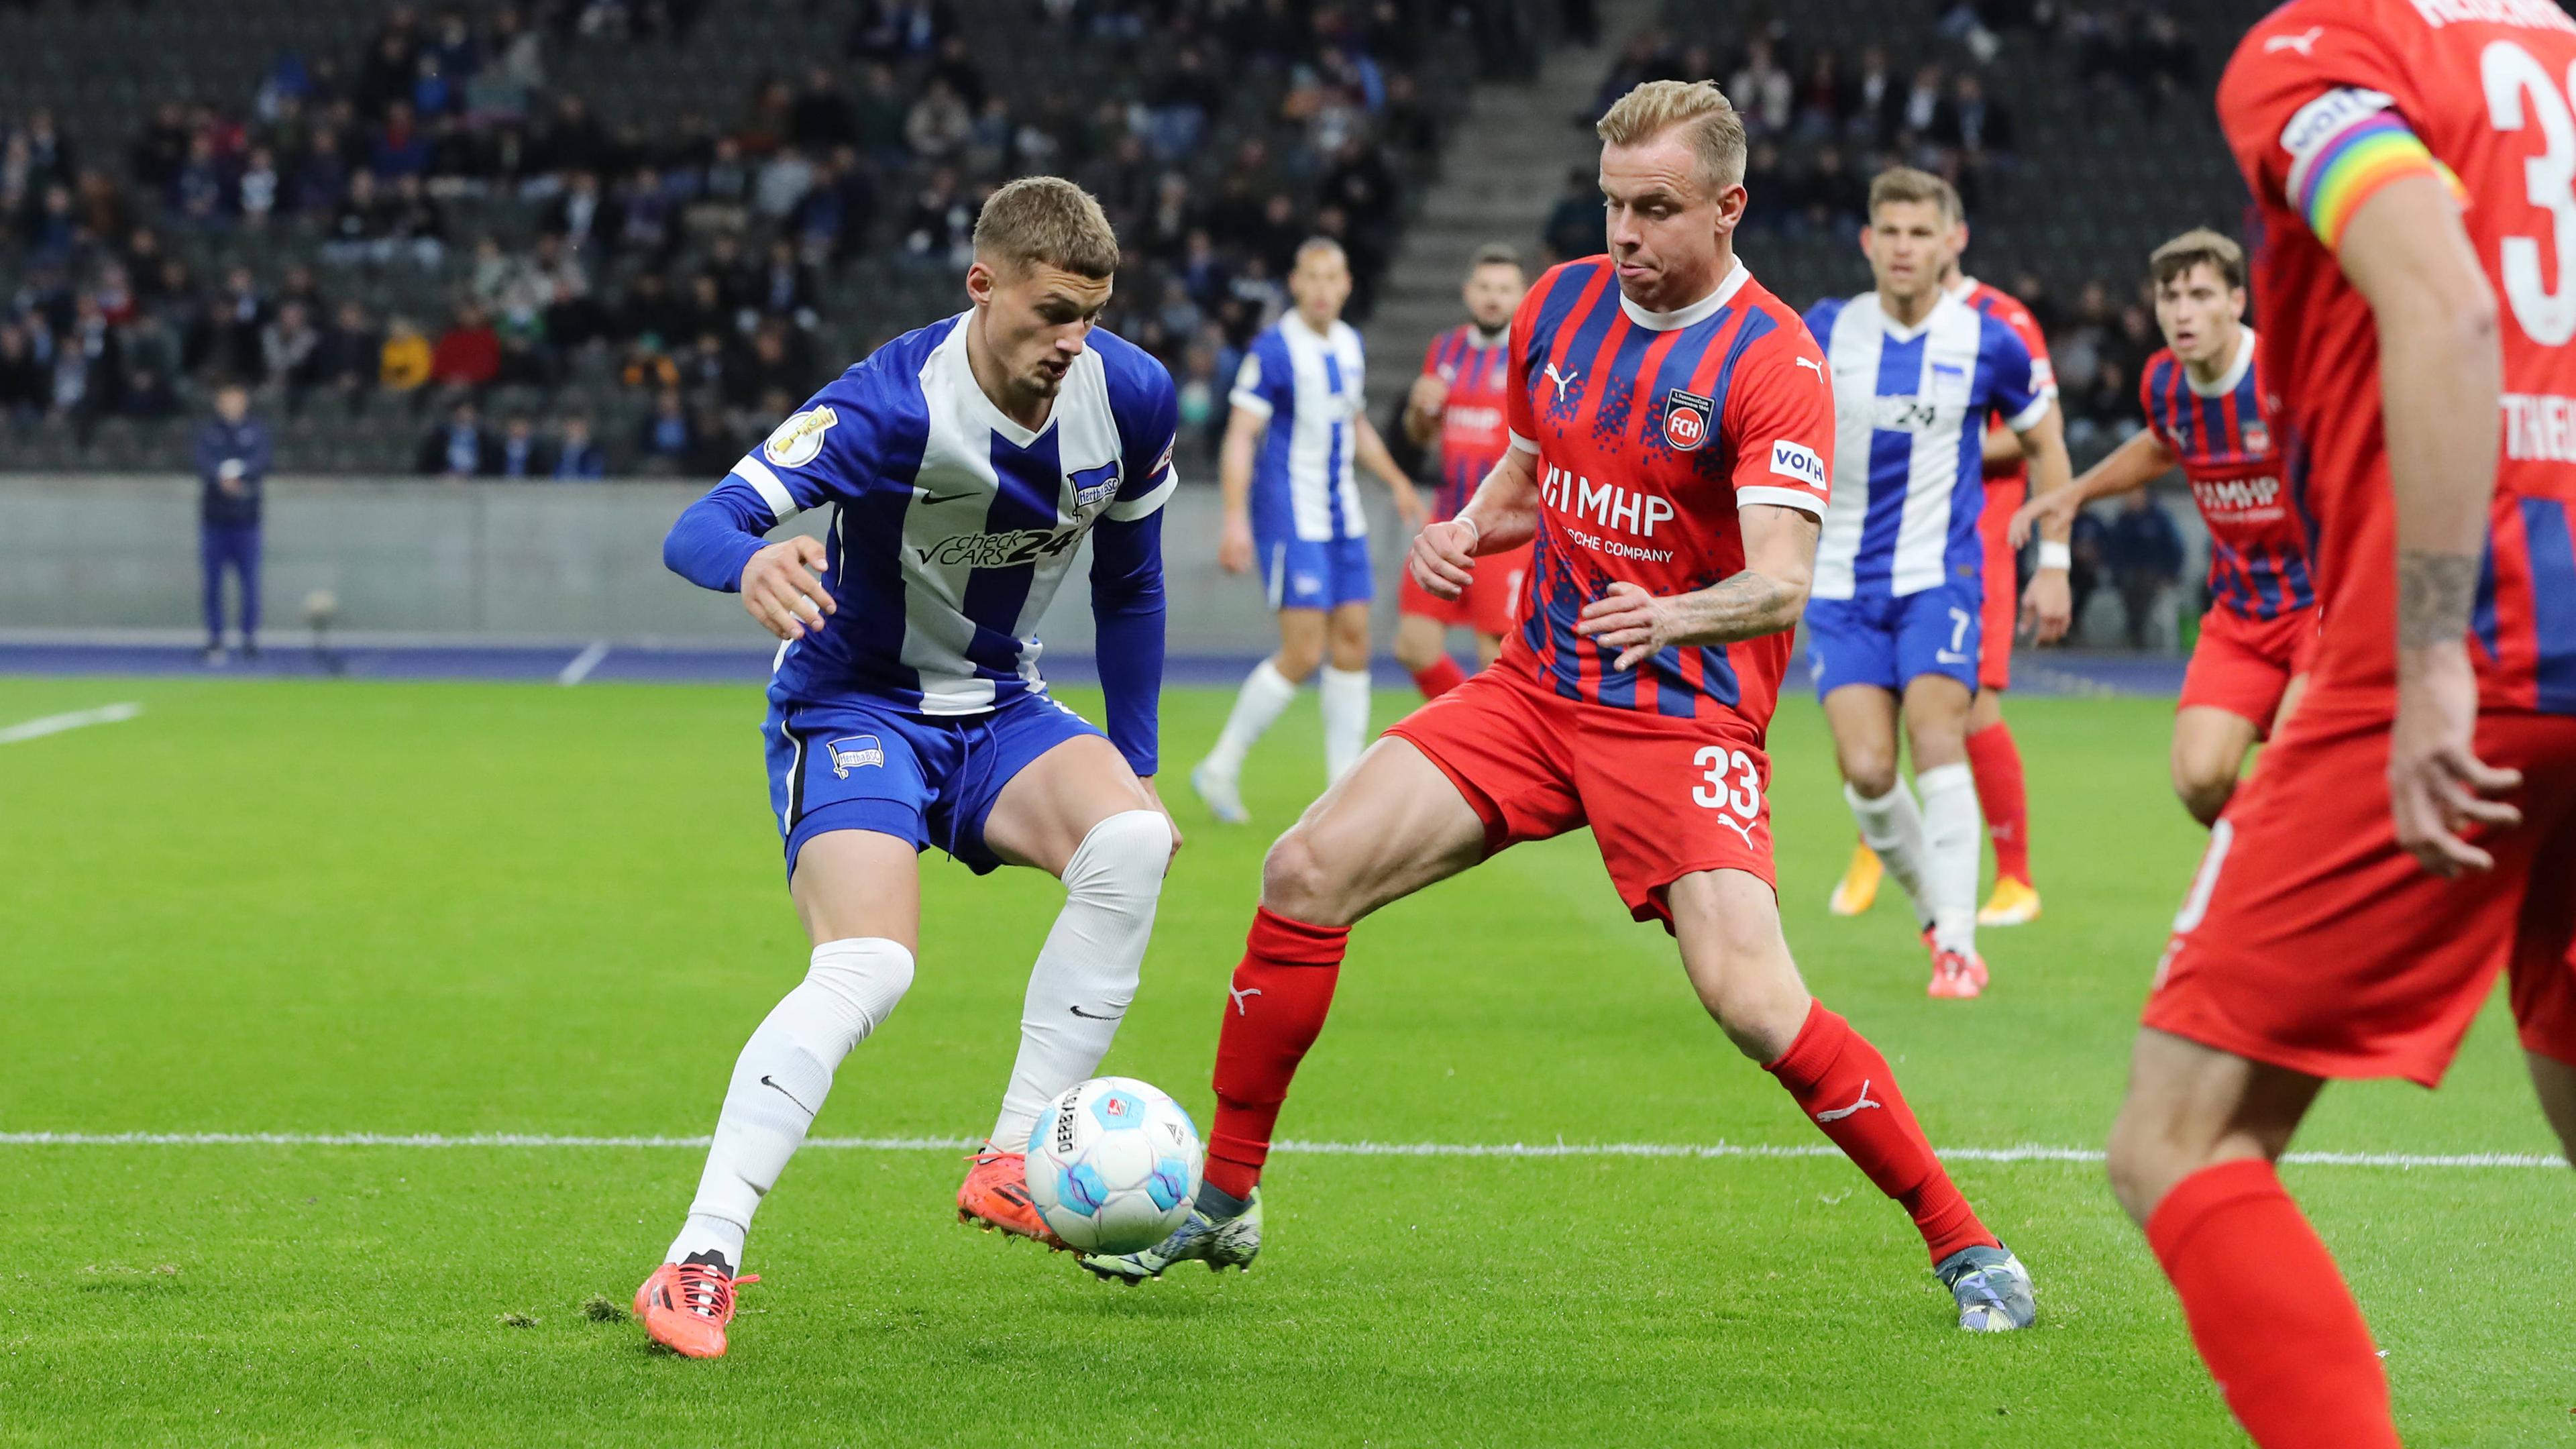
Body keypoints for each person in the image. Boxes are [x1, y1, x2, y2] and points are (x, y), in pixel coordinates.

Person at [1085, 81, 2038, 1334]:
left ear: (1728, 207)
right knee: (1304, 868)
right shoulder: (1564, 302)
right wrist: (1467, 530)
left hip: (1680, 718)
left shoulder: (1773, 361)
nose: (1626, 236)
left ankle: (1969, 1249)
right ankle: (1223, 1197)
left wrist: (1674, 613)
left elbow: (1782, 580)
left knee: (1753, 1003)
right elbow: (1543, 470)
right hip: (1536, 691)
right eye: (1611, 207)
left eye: (1656, 210)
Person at [2103, 7, 2576, 1445]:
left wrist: (2431, 649)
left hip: (2472, 634)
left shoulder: (2322, 50)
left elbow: (2445, 308)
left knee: (2176, 1139)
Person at [642, 176, 1184, 1359]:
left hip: (1001, 707)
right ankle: (701, 1253)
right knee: (871, 965)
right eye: (1049, 312)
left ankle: (1012, 1160)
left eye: (1091, 311)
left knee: (1135, 841)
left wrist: (1135, 764)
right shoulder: (889, 404)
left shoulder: (1132, 396)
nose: (1071, 340)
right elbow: (705, 521)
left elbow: (1132, 584)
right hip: (857, 704)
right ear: (981, 287)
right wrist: (746, 567)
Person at [1801, 168, 2074, 1000]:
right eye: (1891, 232)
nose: (1904, 248)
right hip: (1841, 584)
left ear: (1951, 242)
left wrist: (2053, 565)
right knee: (1869, 771)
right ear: (1868, 243)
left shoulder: (1988, 340)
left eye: (1921, 233)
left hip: (1940, 576)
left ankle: (1958, 944)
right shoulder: (1825, 330)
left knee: (1939, 736)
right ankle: (1937, 914)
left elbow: (2048, 448)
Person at [2013, 229, 2309, 824]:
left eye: (2200, 295)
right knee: (2200, 781)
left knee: (2303, 771)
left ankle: (2291, 884)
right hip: (2243, 614)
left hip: (2323, 608)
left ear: (2236, 302)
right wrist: (2076, 493)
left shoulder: (2286, 374)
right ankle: (2279, 853)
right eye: (2170, 297)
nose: (2183, 311)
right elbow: (2161, 445)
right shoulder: (2164, 382)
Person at [1191, 237, 1425, 823]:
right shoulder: (1274, 350)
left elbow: (1355, 422)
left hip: (1342, 513)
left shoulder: (1349, 344)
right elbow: (1241, 434)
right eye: (1312, 278)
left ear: (1347, 286)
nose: (1323, 289)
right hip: (1292, 517)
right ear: (1296, 285)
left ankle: (1343, 791)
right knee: (1305, 649)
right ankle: (1220, 766)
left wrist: (1396, 479)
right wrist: (1236, 518)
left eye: (1333, 278)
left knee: (1353, 641)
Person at [1393, 244, 1529, 697]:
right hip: (1448, 520)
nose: (1494, 298)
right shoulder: (1445, 349)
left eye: (1505, 289)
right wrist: (1420, 409)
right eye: (1486, 287)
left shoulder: (1529, 353)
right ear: (1469, 292)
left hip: (1506, 527)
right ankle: (1468, 728)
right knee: (1414, 645)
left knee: (1497, 658)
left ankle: (1498, 753)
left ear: (1521, 295)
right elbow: (1420, 434)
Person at [193, 382, 271, 665]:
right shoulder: (209, 432)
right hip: (215, 520)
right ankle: (215, 639)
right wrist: (220, 477)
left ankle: (249, 639)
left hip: (246, 521)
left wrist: (240, 475)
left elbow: (262, 460)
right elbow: (202, 461)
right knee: (213, 585)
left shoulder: (256, 431)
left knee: (249, 583)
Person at [2106, 490, 2185, 647]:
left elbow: (2174, 550)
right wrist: (2116, 573)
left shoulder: (2161, 519)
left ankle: (2136, 630)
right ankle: (2135, 629)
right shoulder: (2124, 520)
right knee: (2131, 585)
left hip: (2156, 574)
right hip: (2129, 574)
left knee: (2145, 585)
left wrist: (2170, 574)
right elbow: (2114, 551)